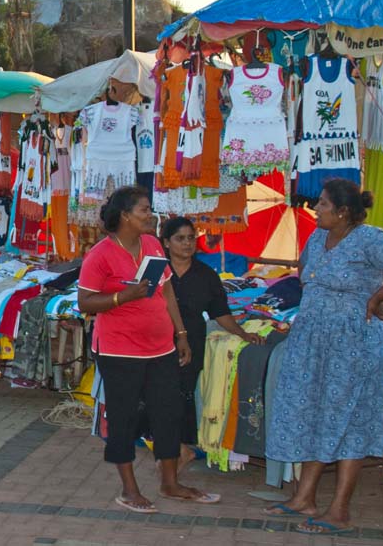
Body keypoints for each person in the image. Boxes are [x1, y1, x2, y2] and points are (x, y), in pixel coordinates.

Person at [264, 179, 383, 535]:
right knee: (311, 412)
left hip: (354, 342)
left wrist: (377, 297)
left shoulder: (371, 238)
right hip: (313, 342)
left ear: (344, 212)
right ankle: (303, 498)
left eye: (322, 204)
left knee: (350, 417)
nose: (315, 208)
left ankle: (339, 509)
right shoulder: (317, 237)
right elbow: (306, 275)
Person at [76, 185, 219, 514]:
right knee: (124, 420)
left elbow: (167, 290)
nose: (151, 215)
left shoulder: (153, 245)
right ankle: (129, 491)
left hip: (160, 349)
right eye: (144, 210)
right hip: (119, 351)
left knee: (168, 415)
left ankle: (170, 483)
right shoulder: (100, 255)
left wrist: (180, 334)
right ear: (125, 215)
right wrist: (123, 297)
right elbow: (84, 302)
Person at [160, 217, 264, 471]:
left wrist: (242, 333)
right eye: (180, 238)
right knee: (157, 395)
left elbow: (220, 312)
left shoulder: (205, 275)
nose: (187, 243)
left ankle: (180, 450)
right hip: (158, 337)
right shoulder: (158, 270)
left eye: (191, 238)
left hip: (191, 340)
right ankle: (174, 449)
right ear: (166, 242)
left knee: (181, 394)